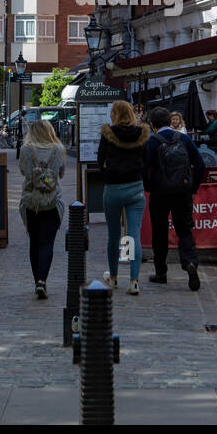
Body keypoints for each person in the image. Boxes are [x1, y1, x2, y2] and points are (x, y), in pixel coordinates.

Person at [144, 106, 208, 290]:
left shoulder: (152, 141)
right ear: (169, 121)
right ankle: (190, 263)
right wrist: (192, 188)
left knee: (159, 232)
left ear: (153, 124)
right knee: (184, 230)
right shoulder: (185, 139)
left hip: (159, 194)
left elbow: (143, 168)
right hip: (182, 192)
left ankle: (161, 272)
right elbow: (201, 165)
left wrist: (149, 186)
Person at [96, 99, 149, 294]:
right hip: (135, 188)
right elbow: (146, 160)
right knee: (133, 235)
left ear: (115, 114)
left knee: (114, 235)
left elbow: (99, 160)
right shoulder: (142, 134)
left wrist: (108, 176)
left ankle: (114, 277)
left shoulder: (108, 134)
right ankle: (134, 281)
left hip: (114, 189)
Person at [19, 119, 67, 299]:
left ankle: (36, 281)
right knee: (47, 243)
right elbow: (60, 174)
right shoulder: (59, 150)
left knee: (34, 242)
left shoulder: (25, 150)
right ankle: (42, 280)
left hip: (32, 203)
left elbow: (24, 172)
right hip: (53, 202)